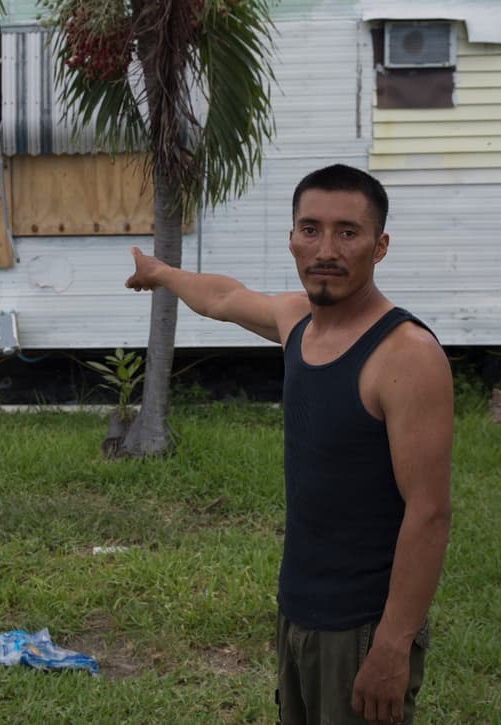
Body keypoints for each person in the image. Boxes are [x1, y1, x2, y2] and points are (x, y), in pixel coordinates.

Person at [125, 163, 452, 725]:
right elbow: (224, 296)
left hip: (361, 624)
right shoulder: (298, 320)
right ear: (293, 238)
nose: (326, 248)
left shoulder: (406, 355)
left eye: (348, 232)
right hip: (299, 606)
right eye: (310, 229)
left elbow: (430, 512)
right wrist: (161, 272)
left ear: (380, 246)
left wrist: (393, 645)